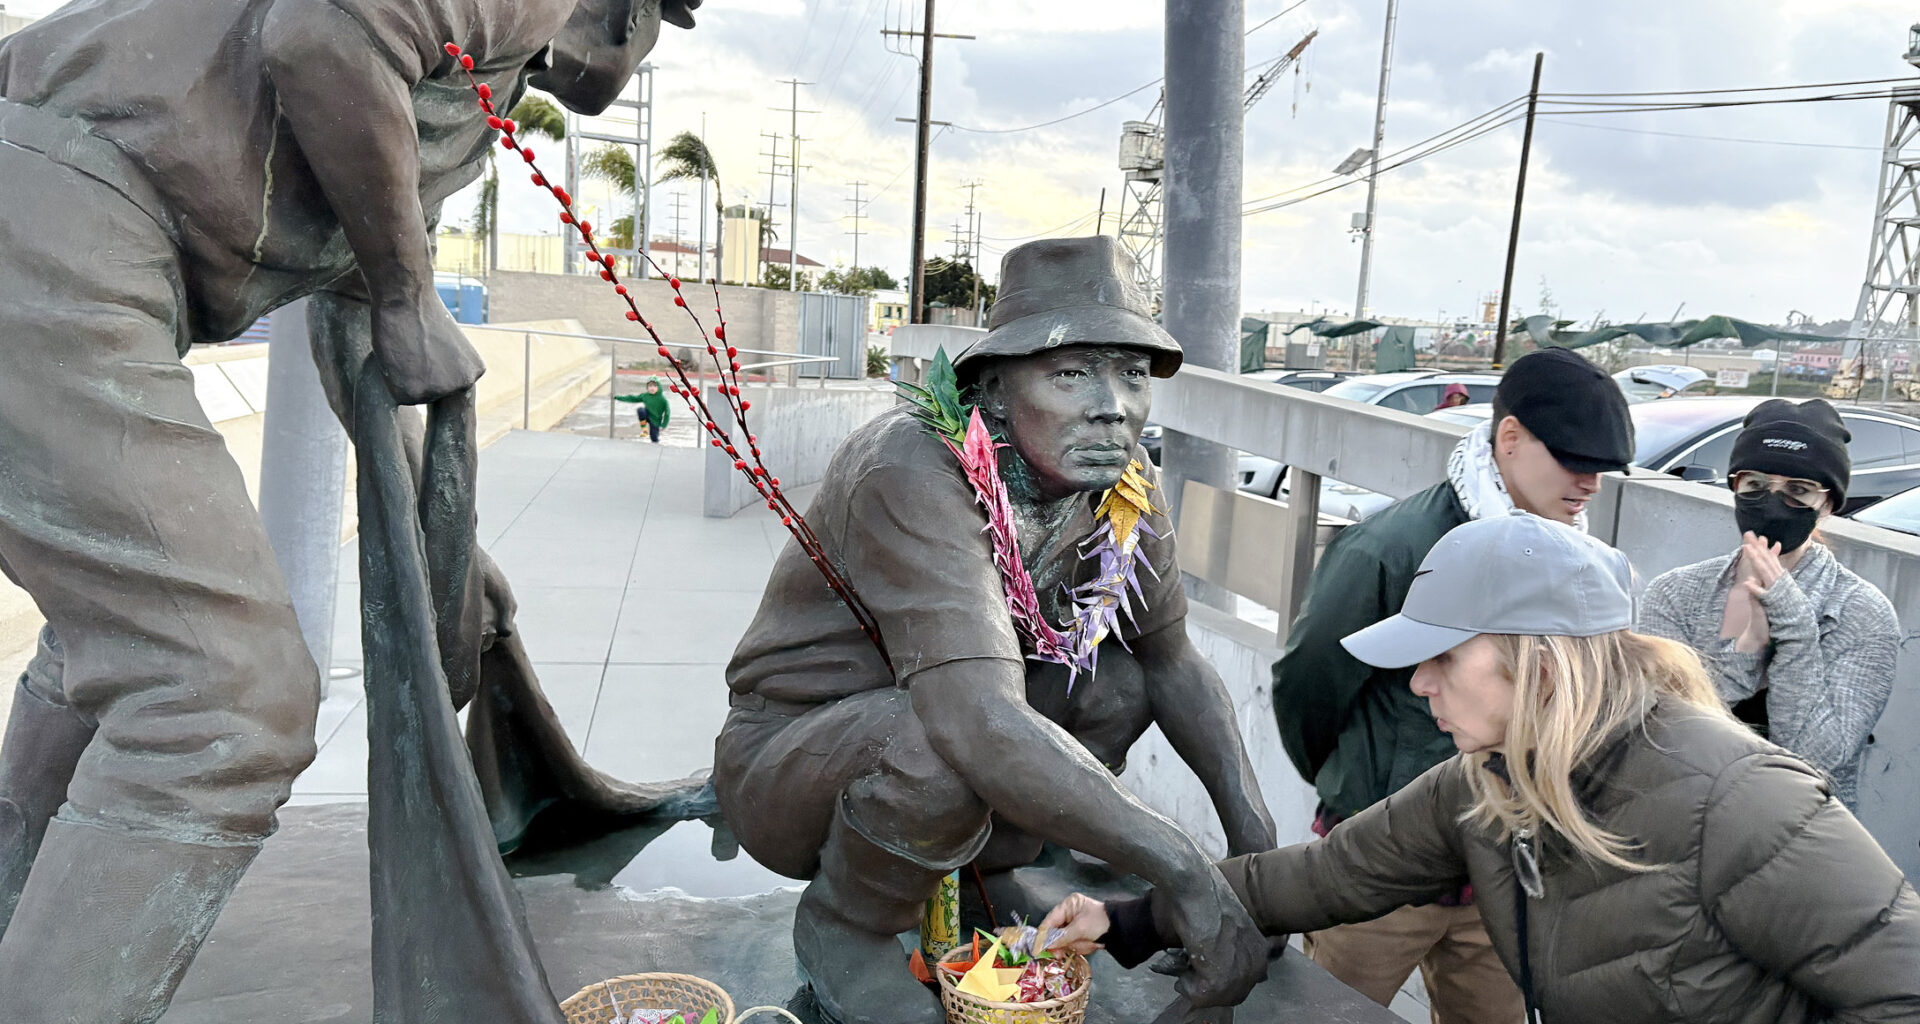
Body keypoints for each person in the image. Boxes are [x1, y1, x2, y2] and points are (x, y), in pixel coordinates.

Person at [0, 0, 695, 1018]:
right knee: (221, 696)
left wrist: (434, 524)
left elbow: (356, 317)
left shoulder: (473, 90)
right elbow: (320, 34)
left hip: (78, 226)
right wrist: (415, 298)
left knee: (121, 646)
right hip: (58, 210)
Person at [1043, 513, 1920, 1023]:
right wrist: (1128, 920)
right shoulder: (1490, 781)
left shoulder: (1741, 798)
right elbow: (1318, 877)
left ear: (1540, 664)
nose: (1418, 684)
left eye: (1442, 658)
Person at [715, 237, 1275, 1024]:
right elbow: (974, 718)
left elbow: (1173, 662)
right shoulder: (913, 466)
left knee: (1120, 682)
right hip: (793, 757)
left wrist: (1255, 853)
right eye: (1072, 373)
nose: (1111, 403)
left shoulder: (1125, 483)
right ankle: (848, 924)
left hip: (937, 722)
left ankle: (986, 870)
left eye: (1132, 375)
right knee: (946, 739)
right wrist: (1185, 875)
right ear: (997, 391)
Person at [1270, 346, 1633, 1022]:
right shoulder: (1393, 545)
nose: (1589, 485)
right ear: (1511, 438)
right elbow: (1307, 683)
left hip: (1509, 874)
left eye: (1603, 470)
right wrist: (1353, 791)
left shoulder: (1579, 563)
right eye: (1574, 460)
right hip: (1382, 873)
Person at [1640, 399, 1901, 811]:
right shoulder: (1675, 595)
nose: (1772, 502)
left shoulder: (1861, 613)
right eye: (1755, 485)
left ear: (1829, 504)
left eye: (1797, 491)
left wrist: (1794, 631)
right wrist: (1746, 649)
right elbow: (1662, 738)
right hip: (1680, 828)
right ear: (1734, 486)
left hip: (1798, 846)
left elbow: (1818, 766)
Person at [616, 377, 673, 442]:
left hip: (656, 421)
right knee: (641, 410)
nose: (652, 388)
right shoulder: (645, 396)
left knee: (654, 438)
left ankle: (655, 447)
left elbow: (667, 413)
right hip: (647, 415)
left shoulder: (663, 400)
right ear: (647, 387)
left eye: (654, 386)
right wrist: (617, 397)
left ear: (658, 387)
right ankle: (644, 430)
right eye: (650, 386)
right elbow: (632, 398)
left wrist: (663, 425)